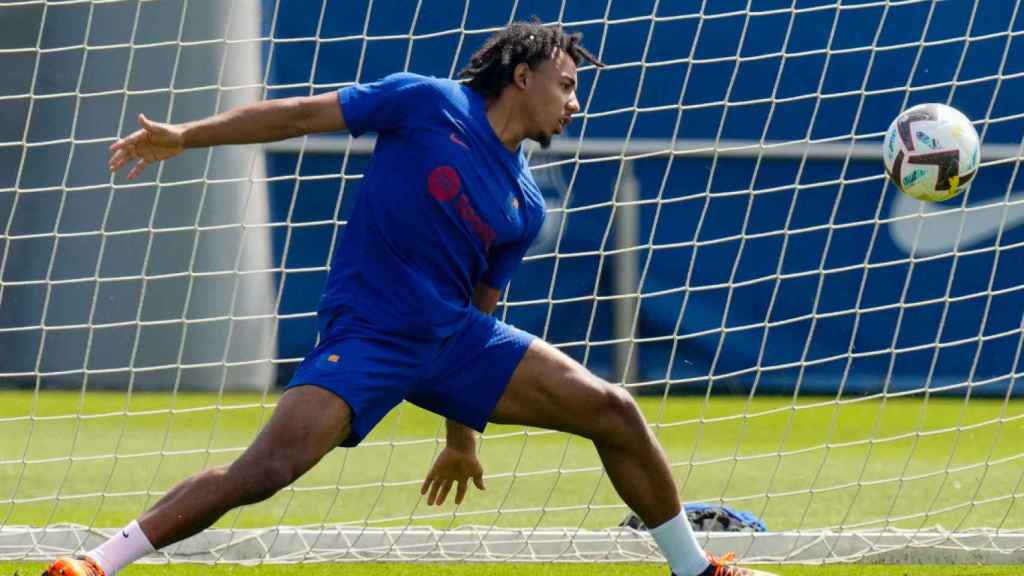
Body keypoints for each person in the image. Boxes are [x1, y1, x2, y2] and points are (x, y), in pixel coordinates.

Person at [42, 21, 776, 576]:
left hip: (452, 337)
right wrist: (184, 136)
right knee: (264, 472)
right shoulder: (427, 103)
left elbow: (483, 309)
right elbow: (298, 115)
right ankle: (98, 563)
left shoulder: (525, 204)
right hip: (369, 333)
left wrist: (462, 440)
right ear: (521, 76)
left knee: (613, 409)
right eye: (567, 85)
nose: (574, 103)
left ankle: (696, 568)